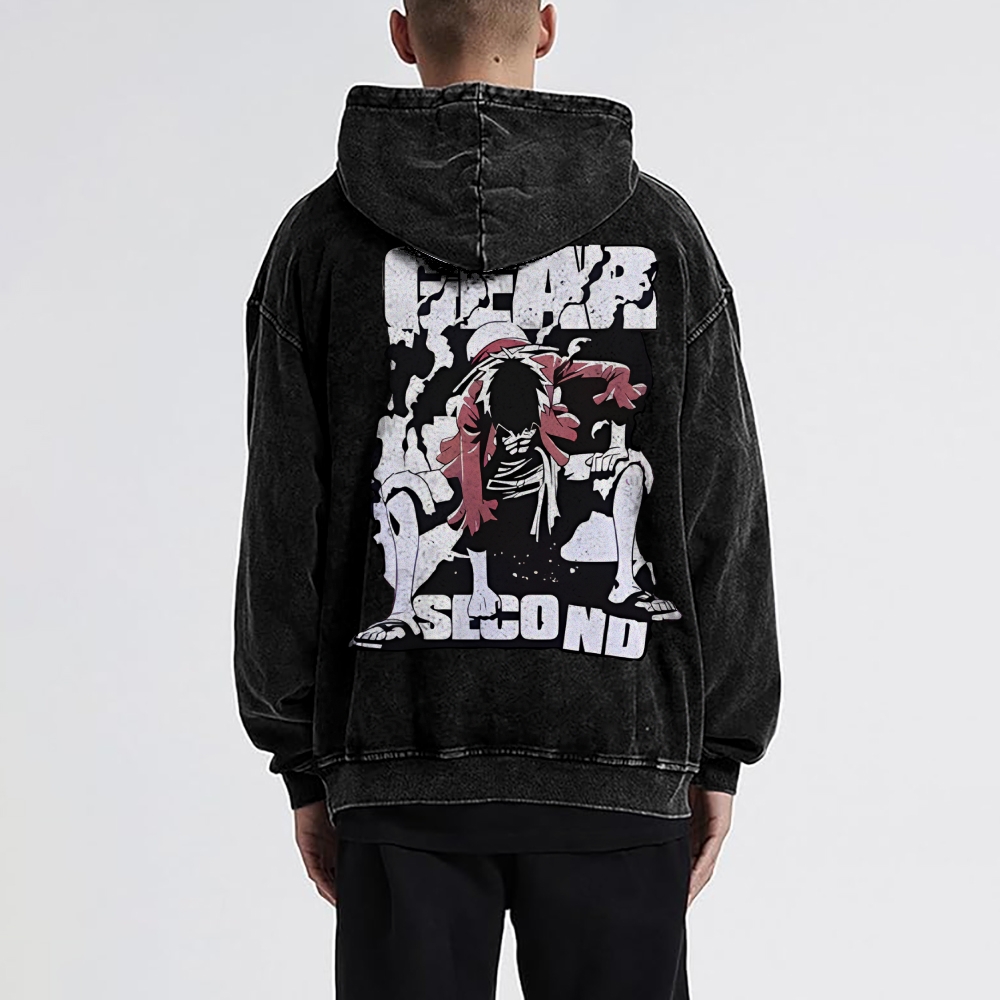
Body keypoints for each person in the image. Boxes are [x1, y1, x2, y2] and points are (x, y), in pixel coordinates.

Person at [233, 2, 781, 997]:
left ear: (402, 32)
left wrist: (304, 760)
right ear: (548, 24)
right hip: (617, 750)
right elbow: (723, 508)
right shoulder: (663, 236)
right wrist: (718, 750)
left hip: (398, 758)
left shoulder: (317, 244)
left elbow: (281, 526)